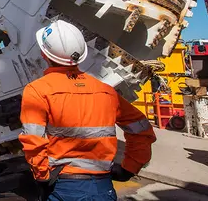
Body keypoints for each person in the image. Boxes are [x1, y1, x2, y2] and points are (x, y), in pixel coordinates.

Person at [19, 19, 156, 200]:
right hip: (103, 187)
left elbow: (33, 142)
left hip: (64, 187)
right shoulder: (106, 92)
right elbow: (142, 131)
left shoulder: (38, 90)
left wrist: (42, 179)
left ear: (44, 54)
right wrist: (128, 168)